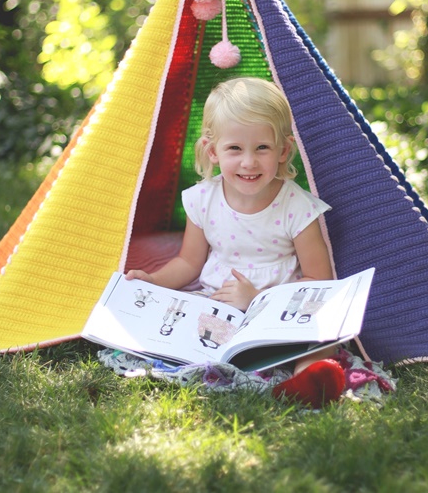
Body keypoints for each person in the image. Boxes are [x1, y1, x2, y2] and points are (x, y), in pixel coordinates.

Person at [126, 76, 346, 407]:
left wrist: (258, 299)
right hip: (219, 309)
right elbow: (188, 262)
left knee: (321, 336)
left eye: (262, 148)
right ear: (212, 151)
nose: (248, 162)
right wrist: (153, 281)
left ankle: (309, 380)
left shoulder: (298, 207)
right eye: (234, 149)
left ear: (283, 150)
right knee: (180, 334)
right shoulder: (203, 200)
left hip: (277, 314)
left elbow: (320, 281)